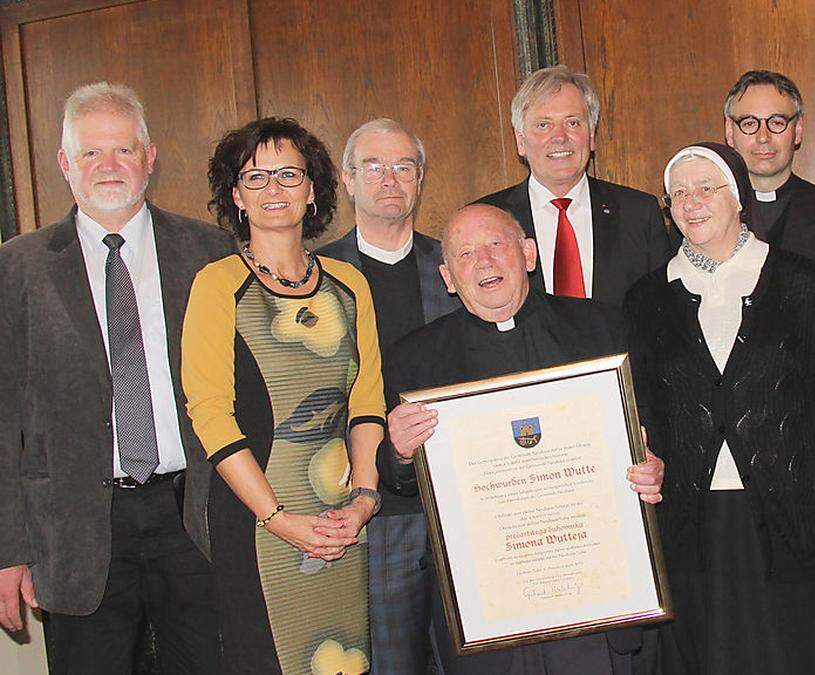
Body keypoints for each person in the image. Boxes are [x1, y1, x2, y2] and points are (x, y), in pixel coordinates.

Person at [0, 81, 227, 672]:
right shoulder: (16, 268)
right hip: (77, 530)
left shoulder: (212, 252)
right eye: (90, 153)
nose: (108, 166)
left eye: (124, 150)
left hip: (196, 517)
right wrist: (7, 551)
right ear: (63, 164)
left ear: (150, 158)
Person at [381, 204, 665, 675]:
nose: (484, 262)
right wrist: (399, 451)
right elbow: (402, 484)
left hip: (592, 599)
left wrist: (652, 466)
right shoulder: (415, 360)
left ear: (529, 253)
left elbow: (650, 431)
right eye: (466, 254)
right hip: (489, 613)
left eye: (496, 244)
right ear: (448, 278)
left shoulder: (601, 330)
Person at [624, 142, 815, 674]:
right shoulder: (648, 297)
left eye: (706, 188)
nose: (691, 201)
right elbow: (641, 407)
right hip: (692, 522)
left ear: (740, 198)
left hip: (788, 515)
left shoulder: (802, 281)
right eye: (678, 192)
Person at [182, 117, 385, 674]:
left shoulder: (351, 283)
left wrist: (365, 500)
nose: (274, 189)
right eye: (256, 177)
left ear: (313, 189)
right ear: (236, 196)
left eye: (289, 174)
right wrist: (279, 518)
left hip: (343, 520)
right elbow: (210, 414)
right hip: (256, 523)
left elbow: (367, 401)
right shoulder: (216, 284)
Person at [317, 118, 458, 675]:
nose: (389, 179)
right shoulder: (316, 275)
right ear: (348, 181)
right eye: (373, 166)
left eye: (403, 166)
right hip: (372, 515)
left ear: (420, 179)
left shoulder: (457, 266)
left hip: (456, 505)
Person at [477, 65, 675, 306]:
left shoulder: (639, 213)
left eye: (572, 123)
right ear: (520, 141)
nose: (559, 137)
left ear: (591, 135)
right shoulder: (485, 218)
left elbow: (665, 311)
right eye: (543, 125)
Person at [723, 70, 815, 291]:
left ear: (798, 130)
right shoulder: (703, 215)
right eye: (748, 123)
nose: (763, 137)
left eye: (776, 122)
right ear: (730, 131)